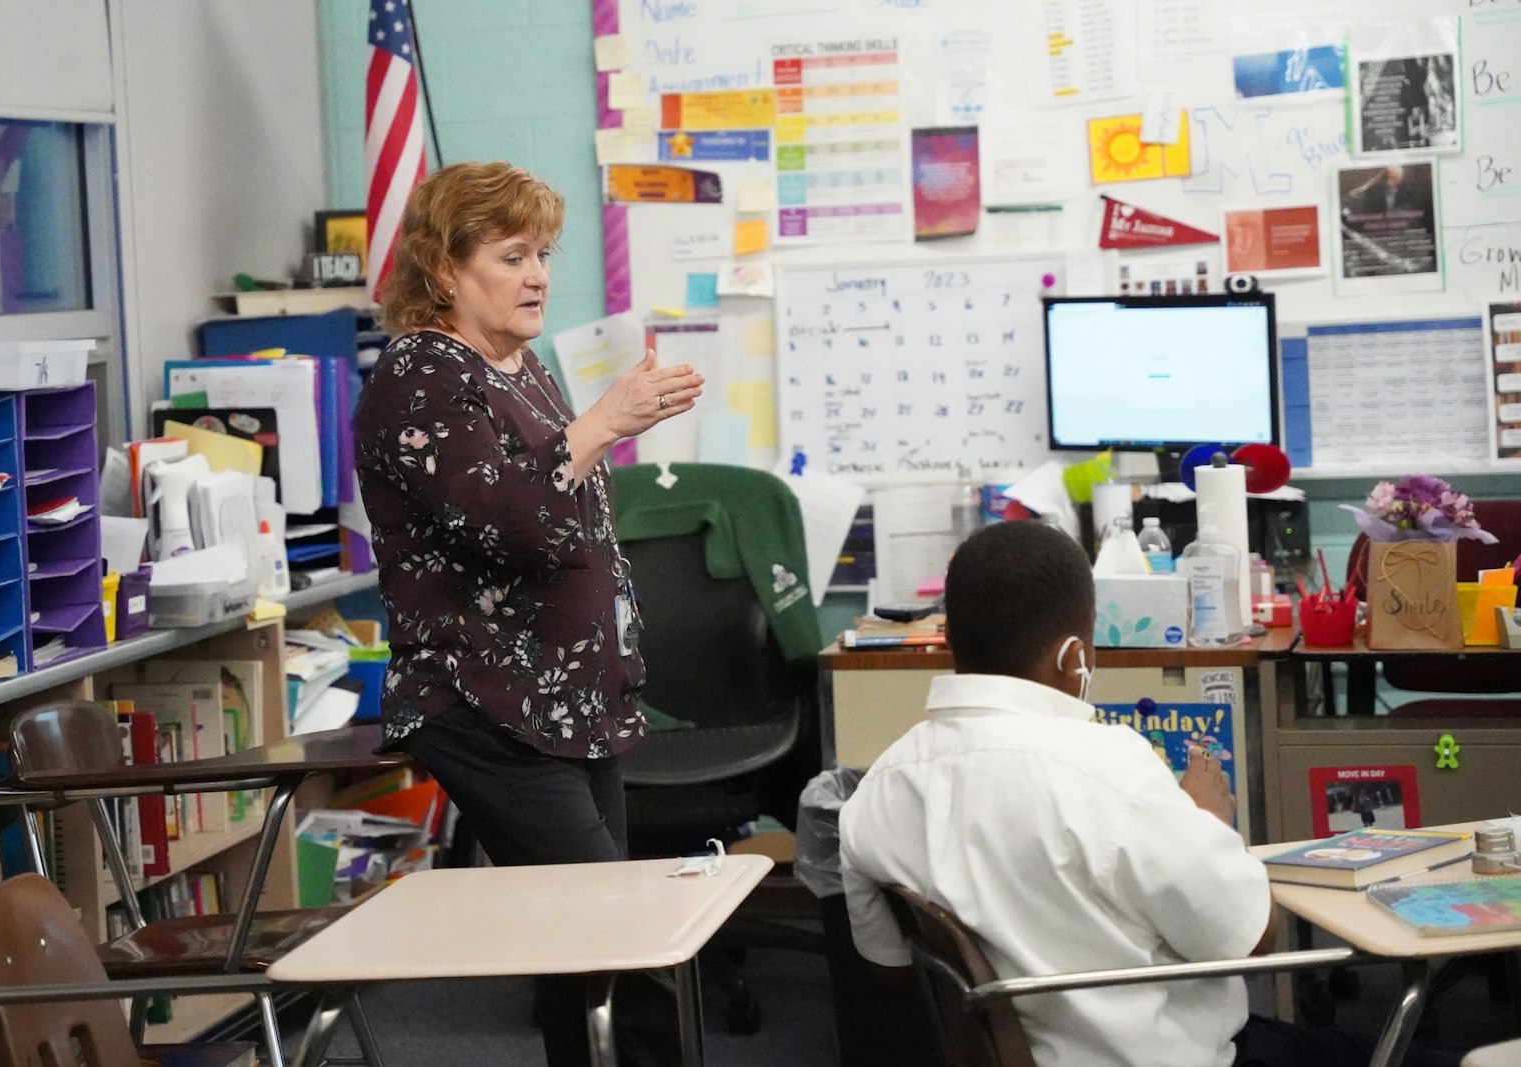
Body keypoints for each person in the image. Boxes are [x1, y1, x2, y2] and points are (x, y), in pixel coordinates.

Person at [839, 520, 1462, 1067]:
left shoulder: (878, 789)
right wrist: (1209, 822)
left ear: (953, 642)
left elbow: (889, 968)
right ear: (1074, 655)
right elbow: (1249, 938)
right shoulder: (1110, 771)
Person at [353, 160, 704, 1066]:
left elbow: (567, 511)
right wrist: (601, 423)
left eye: (542, 252)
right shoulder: (421, 376)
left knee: (576, 946)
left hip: (571, 702)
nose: (539, 274)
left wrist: (600, 427)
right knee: (623, 932)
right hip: (485, 704)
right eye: (512, 255)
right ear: (443, 268)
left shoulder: (517, 366)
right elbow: (510, 524)